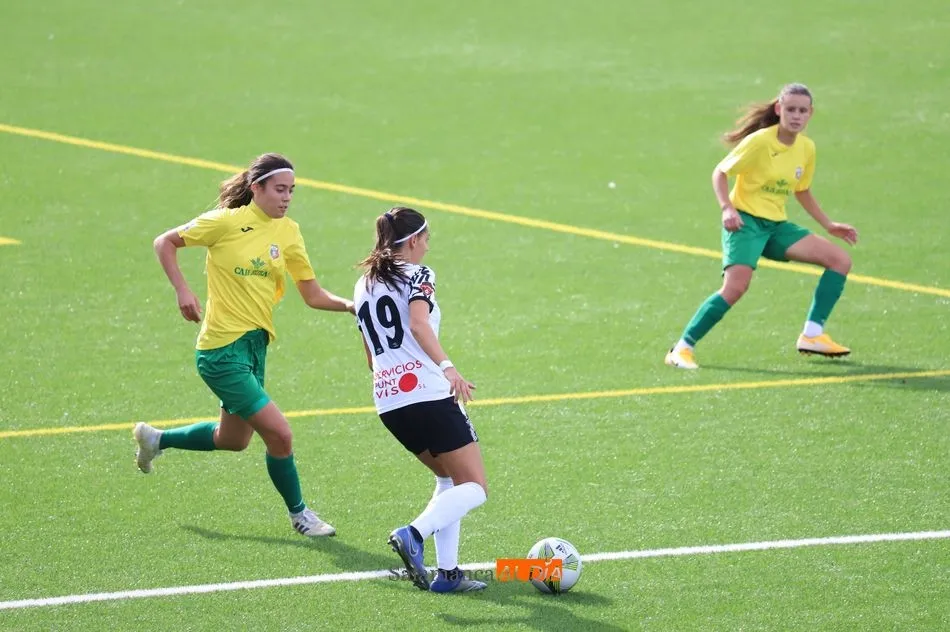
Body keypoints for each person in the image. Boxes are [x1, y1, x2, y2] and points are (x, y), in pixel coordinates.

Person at [135, 153, 354, 537]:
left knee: (233, 440)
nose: (287, 197)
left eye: (292, 191)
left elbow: (313, 294)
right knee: (280, 434)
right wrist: (182, 290)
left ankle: (157, 440)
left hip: (255, 347)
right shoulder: (225, 223)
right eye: (280, 189)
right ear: (257, 189)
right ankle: (300, 515)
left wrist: (353, 307)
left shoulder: (289, 232)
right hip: (221, 352)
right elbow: (164, 242)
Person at [665, 83, 859, 370]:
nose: (796, 116)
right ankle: (681, 349)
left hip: (776, 227)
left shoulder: (806, 148)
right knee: (735, 288)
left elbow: (802, 190)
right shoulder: (760, 142)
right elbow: (720, 172)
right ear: (779, 109)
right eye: (790, 109)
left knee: (840, 260)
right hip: (745, 223)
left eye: (802, 111)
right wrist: (726, 208)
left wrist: (828, 224)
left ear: (810, 114)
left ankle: (812, 335)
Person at [354, 207, 487, 593]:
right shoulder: (420, 274)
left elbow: (369, 353)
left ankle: (449, 575)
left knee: (448, 478)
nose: (428, 247)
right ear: (412, 240)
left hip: (388, 400)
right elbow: (417, 323)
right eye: (426, 239)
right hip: (427, 392)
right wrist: (448, 368)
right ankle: (413, 534)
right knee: (475, 486)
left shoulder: (364, 284)